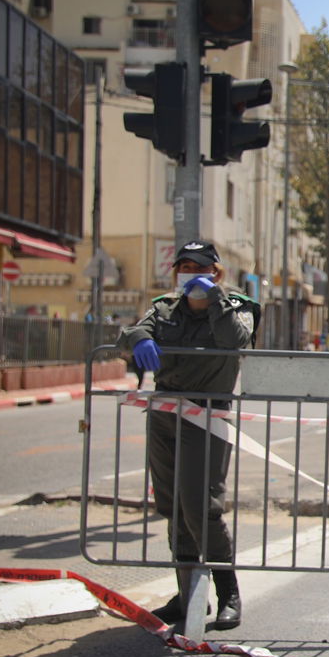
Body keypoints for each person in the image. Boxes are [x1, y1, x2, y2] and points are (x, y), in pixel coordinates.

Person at [118, 240, 258, 631]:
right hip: (165, 415)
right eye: (184, 267)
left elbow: (235, 340)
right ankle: (188, 595)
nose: (191, 273)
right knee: (173, 506)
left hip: (207, 418)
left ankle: (228, 593)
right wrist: (139, 339)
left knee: (201, 507)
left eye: (199, 267)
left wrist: (214, 300)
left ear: (217, 272)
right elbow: (131, 332)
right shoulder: (165, 307)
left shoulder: (239, 306)